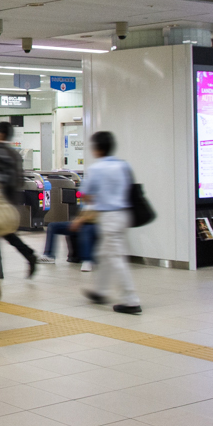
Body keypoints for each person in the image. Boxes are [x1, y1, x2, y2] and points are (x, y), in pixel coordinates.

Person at [74, 130, 141, 315]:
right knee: (104, 254)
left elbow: (85, 194)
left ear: (97, 149)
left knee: (115, 258)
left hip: (109, 217)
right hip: (124, 214)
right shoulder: (123, 165)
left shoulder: (96, 169)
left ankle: (131, 300)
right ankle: (100, 291)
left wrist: (88, 208)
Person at [0, 122, 38, 283]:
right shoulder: (15, 154)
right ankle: (29, 254)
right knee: (7, 233)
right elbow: (19, 179)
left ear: (0, 134)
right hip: (12, 200)